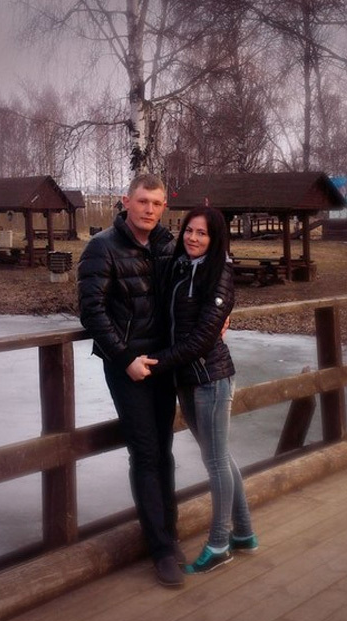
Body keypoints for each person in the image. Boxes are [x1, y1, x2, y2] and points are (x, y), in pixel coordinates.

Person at [130, 205, 258, 574]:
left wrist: (156, 362)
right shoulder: (182, 265)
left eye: (202, 233)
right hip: (187, 379)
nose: (193, 238)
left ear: (215, 239)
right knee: (219, 456)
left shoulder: (219, 275)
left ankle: (219, 543)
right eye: (189, 230)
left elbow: (202, 339)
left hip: (210, 379)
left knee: (215, 461)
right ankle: (244, 532)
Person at [77, 174, 185, 588]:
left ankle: (170, 534)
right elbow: (91, 311)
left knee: (165, 451)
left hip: (163, 362)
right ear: (126, 201)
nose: (149, 210)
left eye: (157, 203)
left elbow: (198, 283)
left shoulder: (167, 245)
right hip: (128, 367)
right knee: (145, 453)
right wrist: (124, 359)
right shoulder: (102, 247)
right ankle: (161, 550)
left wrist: (222, 310)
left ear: (163, 207)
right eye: (143, 201)